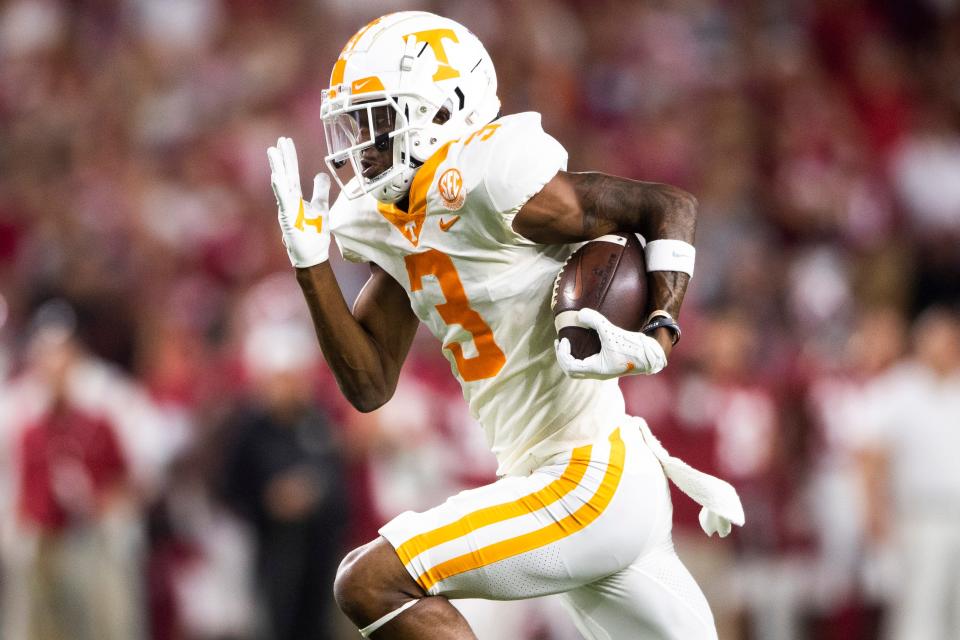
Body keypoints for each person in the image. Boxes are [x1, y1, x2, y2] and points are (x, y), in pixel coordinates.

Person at [267, 11, 744, 639]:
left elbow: (667, 206)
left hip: (585, 476)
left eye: (380, 118)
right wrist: (312, 267)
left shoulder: (491, 176)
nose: (362, 141)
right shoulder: (387, 217)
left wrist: (658, 333)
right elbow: (369, 385)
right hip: (570, 478)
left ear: (443, 110)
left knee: (369, 579)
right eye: (357, 122)